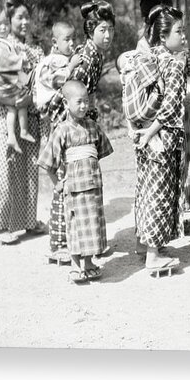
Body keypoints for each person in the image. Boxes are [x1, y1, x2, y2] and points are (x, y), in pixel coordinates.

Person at [45, 0, 115, 264]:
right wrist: (65, 135)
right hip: (66, 127)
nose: (107, 36)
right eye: (102, 31)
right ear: (90, 31)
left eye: (110, 30)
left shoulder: (94, 54)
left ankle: (83, 242)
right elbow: (63, 101)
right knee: (65, 185)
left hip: (80, 122)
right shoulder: (85, 59)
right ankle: (60, 244)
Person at [0, 0, 48, 245]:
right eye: (18, 17)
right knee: (4, 169)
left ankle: (27, 221)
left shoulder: (34, 48)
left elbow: (38, 80)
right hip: (6, 113)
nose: (24, 22)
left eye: (27, 17)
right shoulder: (3, 47)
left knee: (29, 171)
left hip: (30, 115)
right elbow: (6, 82)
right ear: (8, 21)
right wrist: (28, 84)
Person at [38, 80, 113, 283]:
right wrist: (57, 182)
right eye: (79, 102)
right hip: (74, 188)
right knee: (75, 224)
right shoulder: (62, 130)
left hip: (93, 187)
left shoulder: (93, 127)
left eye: (86, 101)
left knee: (93, 224)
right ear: (66, 103)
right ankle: (75, 265)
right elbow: (46, 162)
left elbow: (102, 150)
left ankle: (89, 263)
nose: (83, 106)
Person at [133, 5, 187, 275]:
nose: (184, 36)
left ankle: (143, 243)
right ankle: (153, 254)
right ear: (164, 36)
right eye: (179, 31)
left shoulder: (148, 56)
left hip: (142, 132)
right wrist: (152, 132)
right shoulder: (174, 65)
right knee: (160, 193)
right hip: (161, 138)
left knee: (145, 190)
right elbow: (170, 108)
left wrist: (143, 132)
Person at [0, 0, 35, 153]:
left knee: (14, 109)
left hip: (6, 88)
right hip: (4, 88)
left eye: (6, 23)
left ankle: (14, 135)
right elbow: (5, 63)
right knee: (20, 102)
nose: (4, 27)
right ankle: (21, 131)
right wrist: (21, 59)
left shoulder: (3, 42)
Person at [33, 21, 82, 114]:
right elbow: (56, 81)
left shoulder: (61, 58)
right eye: (67, 39)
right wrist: (71, 66)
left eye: (73, 39)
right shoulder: (53, 61)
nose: (72, 43)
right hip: (49, 109)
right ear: (55, 42)